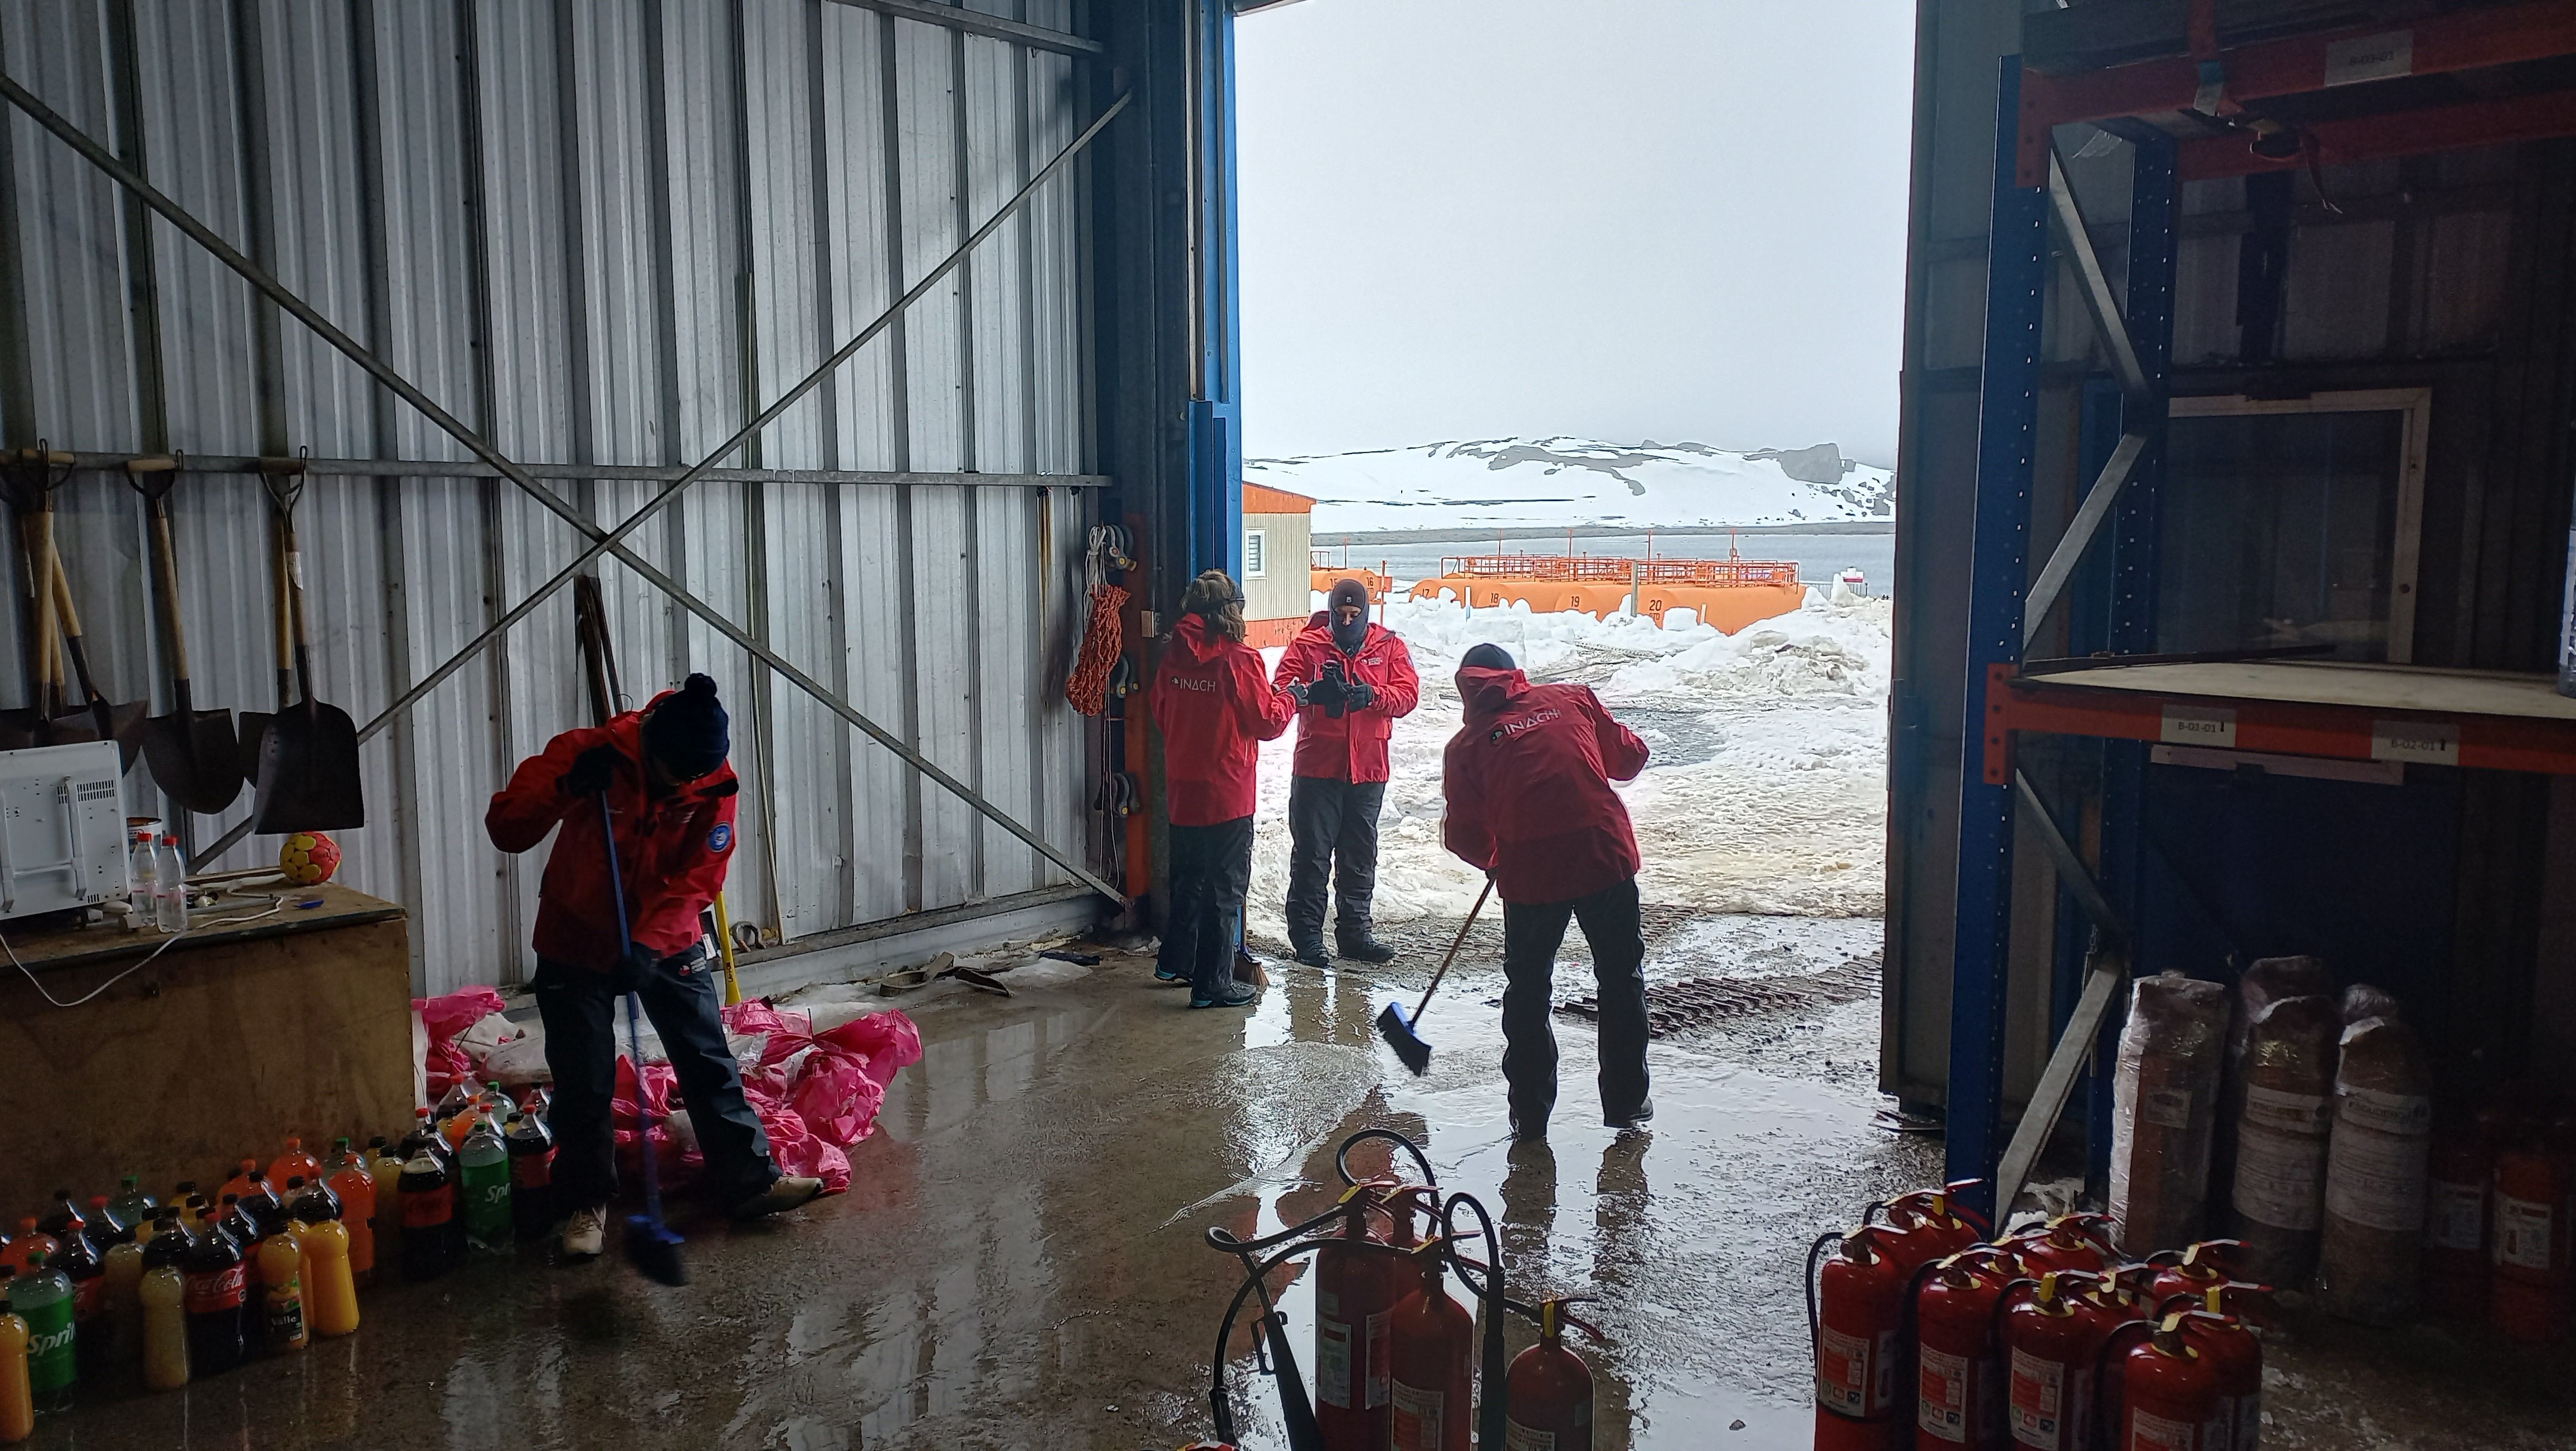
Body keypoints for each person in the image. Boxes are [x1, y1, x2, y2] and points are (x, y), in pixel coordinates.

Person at [485, 674, 823, 1258]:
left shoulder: (715, 781)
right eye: (676, 775)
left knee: (706, 1056)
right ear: (651, 748)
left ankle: (750, 1183)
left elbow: (701, 876)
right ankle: (584, 1204)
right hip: (575, 937)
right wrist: (565, 789)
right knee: (583, 1078)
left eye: (696, 778)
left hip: (665, 938)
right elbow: (507, 828)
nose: (685, 787)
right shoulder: (587, 753)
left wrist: (646, 943)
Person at [1440, 643, 1654, 1140]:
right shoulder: (1573, 697)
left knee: (1530, 991)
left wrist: (1496, 859)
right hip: (1604, 855)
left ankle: (1530, 1115)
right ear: (1516, 675)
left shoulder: (1466, 746)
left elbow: (1464, 836)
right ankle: (1626, 1104)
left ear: (1465, 690)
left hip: (1532, 873)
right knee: (1621, 979)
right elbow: (1629, 759)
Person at [1149, 569, 1301, 1008]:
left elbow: (1161, 711)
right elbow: (1267, 721)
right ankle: (1212, 984)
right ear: (1229, 612)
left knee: (1190, 878)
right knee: (1225, 888)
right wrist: (1292, 696)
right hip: (1227, 790)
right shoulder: (1240, 660)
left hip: (1184, 788)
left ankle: (1177, 960)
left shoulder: (1172, 655)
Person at [1272, 577, 1421, 968]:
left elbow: (1408, 695)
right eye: (1341, 613)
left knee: (1359, 857)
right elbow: (1280, 688)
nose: (1348, 619)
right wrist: (1311, 691)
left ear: (1366, 613)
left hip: (1368, 770)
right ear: (1332, 612)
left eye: (1355, 614)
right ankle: (1307, 938)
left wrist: (1373, 696)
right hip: (1317, 768)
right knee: (1312, 856)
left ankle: (1355, 935)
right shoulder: (1308, 645)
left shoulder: (1388, 646)